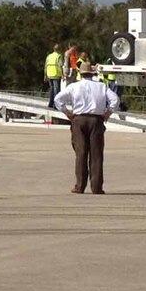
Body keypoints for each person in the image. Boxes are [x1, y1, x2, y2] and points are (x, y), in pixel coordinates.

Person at [55, 65, 112, 194]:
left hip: (79, 120)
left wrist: (67, 113)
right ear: (92, 74)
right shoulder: (101, 86)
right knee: (96, 154)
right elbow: (115, 100)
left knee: (80, 154)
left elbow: (57, 99)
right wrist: (108, 112)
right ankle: (96, 187)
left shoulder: (74, 86)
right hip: (96, 120)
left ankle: (79, 186)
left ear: (80, 74)